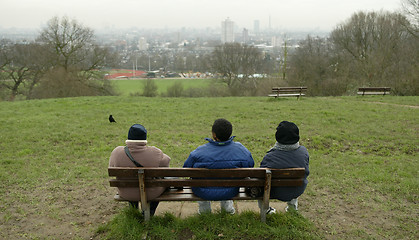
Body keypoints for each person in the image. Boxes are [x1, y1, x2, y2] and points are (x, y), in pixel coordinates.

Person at [183, 118, 255, 214]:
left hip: (202, 191)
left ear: (214, 134)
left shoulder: (199, 152)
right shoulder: (241, 150)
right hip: (230, 190)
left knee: (199, 181)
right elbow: (250, 165)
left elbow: (186, 169)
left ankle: (204, 212)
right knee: (228, 181)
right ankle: (228, 210)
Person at [109, 124, 170, 216]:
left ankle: (133, 211)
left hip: (126, 192)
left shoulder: (116, 152)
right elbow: (166, 163)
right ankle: (149, 213)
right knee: (164, 182)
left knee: (131, 183)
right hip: (151, 193)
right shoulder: (155, 152)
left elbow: (111, 167)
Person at [259, 121, 309, 214]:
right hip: (297, 189)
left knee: (261, 185)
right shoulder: (303, 152)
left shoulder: (270, 157)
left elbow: (262, 177)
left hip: (274, 192)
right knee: (294, 180)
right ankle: (292, 209)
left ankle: (266, 210)